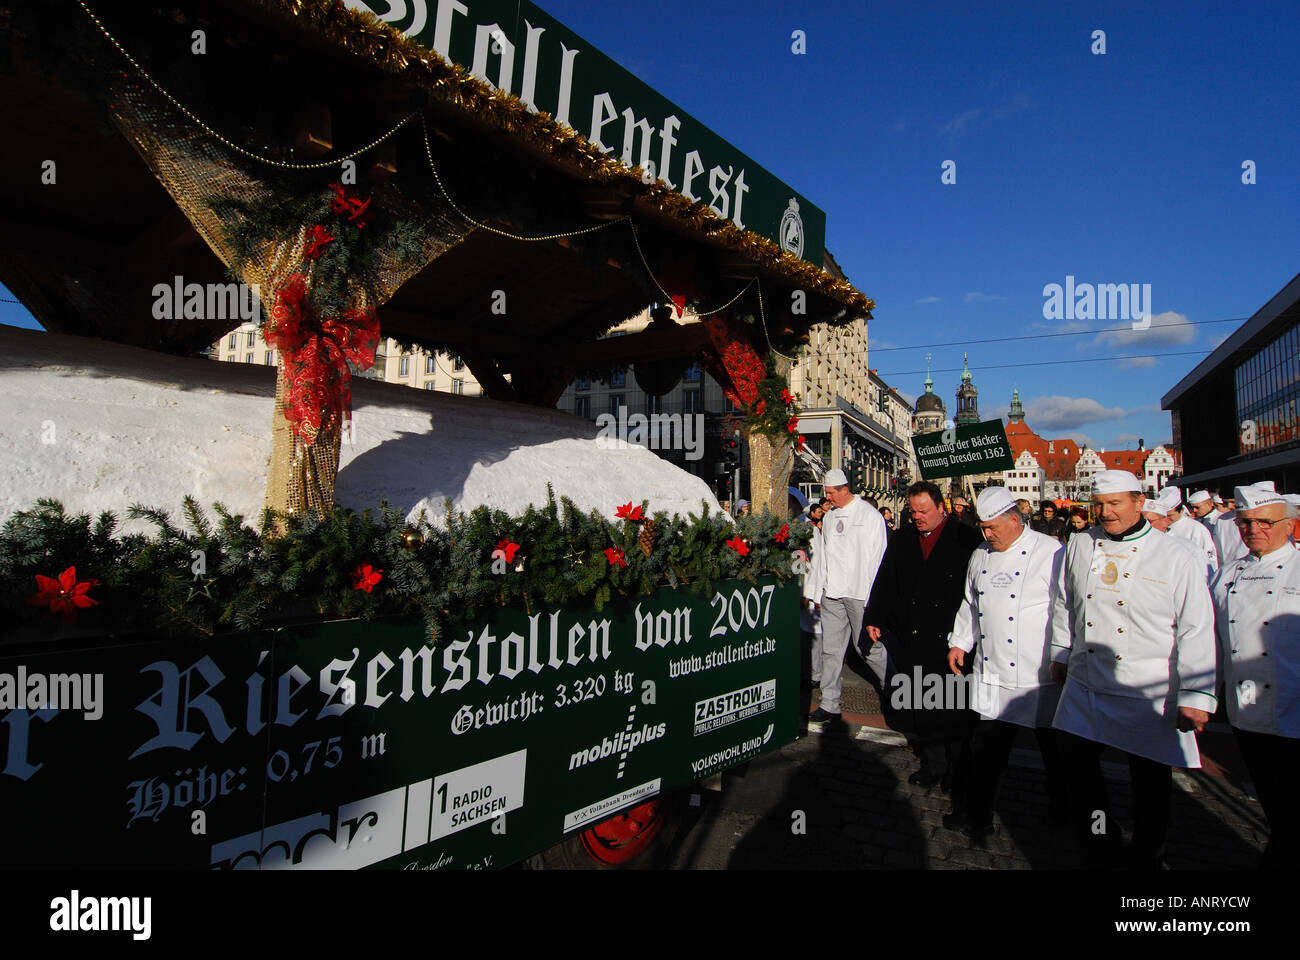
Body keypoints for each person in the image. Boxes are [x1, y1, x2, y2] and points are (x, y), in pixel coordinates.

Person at [1049, 469, 1217, 870]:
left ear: (1139, 502)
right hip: (1087, 682)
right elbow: (1064, 601)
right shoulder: (1081, 543)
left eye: (1115, 504)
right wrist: (1060, 651)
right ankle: (1099, 838)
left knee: (1150, 783)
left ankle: (1147, 854)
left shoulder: (1175, 554)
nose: (1105, 513)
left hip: (1147, 688)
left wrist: (1196, 694)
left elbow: (1196, 625)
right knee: (1077, 766)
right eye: (1099, 505)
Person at [944, 487, 1068, 842]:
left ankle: (1064, 811)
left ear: (1015, 520)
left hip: (1038, 673)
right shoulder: (981, 554)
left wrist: (1062, 654)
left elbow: (1064, 607)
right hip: (992, 669)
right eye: (983, 528)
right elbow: (970, 602)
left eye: (993, 528)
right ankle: (976, 814)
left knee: (1055, 753)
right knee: (985, 754)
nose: (987, 535)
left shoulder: (1049, 552)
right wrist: (959, 641)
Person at [865, 480, 985, 790]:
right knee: (923, 705)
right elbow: (886, 579)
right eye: (913, 511)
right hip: (913, 634)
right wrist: (875, 615)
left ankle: (958, 771)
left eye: (924, 511)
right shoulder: (903, 538)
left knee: (954, 708)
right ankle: (934, 765)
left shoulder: (966, 537)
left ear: (941, 508)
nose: (917, 517)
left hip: (951, 637)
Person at [1211, 483, 1300, 867]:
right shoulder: (1228, 573)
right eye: (1246, 522)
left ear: (1289, 525)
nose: (1254, 530)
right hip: (1245, 709)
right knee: (1271, 794)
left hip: (1296, 706)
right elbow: (1211, 634)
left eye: (1265, 522)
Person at [804, 468, 889, 723]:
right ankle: (830, 703)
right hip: (833, 593)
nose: (827, 498)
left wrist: (875, 598)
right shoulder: (829, 519)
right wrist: (819, 591)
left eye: (830, 493)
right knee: (831, 651)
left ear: (843, 489)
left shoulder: (870, 516)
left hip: (860, 592)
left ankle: (895, 689)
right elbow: (824, 557)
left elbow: (879, 557)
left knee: (868, 648)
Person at [1161, 488, 1218, 577]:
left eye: (1170, 516)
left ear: (1181, 511)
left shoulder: (1196, 529)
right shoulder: (1159, 526)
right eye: (1163, 516)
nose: (1166, 519)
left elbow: (1210, 560)